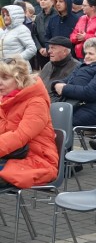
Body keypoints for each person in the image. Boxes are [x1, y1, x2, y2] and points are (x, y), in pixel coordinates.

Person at [0, 56, 58, 188]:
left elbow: (20, 136)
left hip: (36, 160)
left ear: (19, 79)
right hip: (10, 154)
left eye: (5, 78)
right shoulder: (5, 98)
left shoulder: (36, 102)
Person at [51, 38, 96, 127]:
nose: (86, 56)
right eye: (86, 53)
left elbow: (90, 92)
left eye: (91, 53)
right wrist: (56, 84)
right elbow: (67, 80)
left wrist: (64, 88)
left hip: (89, 110)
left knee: (55, 122)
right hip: (72, 105)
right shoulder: (82, 66)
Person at [33, 0, 56, 70]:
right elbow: (34, 34)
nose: (42, 1)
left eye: (45, 0)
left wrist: (48, 49)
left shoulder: (57, 16)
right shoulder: (38, 17)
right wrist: (40, 48)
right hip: (41, 52)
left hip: (54, 51)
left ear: (52, 1)